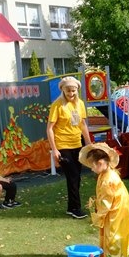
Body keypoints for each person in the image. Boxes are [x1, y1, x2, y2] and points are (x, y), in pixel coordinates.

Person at [79, 143, 129, 257]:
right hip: (115, 204)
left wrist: (98, 214)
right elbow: (104, 197)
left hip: (116, 208)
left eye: (92, 166)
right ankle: (106, 255)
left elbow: (106, 202)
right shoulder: (104, 174)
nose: (91, 169)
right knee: (108, 230)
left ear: (100, 163)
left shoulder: (108, 179)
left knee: (113, 232)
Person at [47, 76, 91, 219]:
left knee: (76, 177)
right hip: (62, 145)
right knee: (73, 176)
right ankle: (76, 208)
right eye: (68, 90)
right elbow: (49, 129)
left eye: (73, 91)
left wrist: (89, 144)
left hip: (77, 144)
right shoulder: (57, 105)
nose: (71, 93)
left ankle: (71, 207)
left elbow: (83, 125)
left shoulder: (80, 104)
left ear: (77, 90)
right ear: (63, 90)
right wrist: (54, 149)